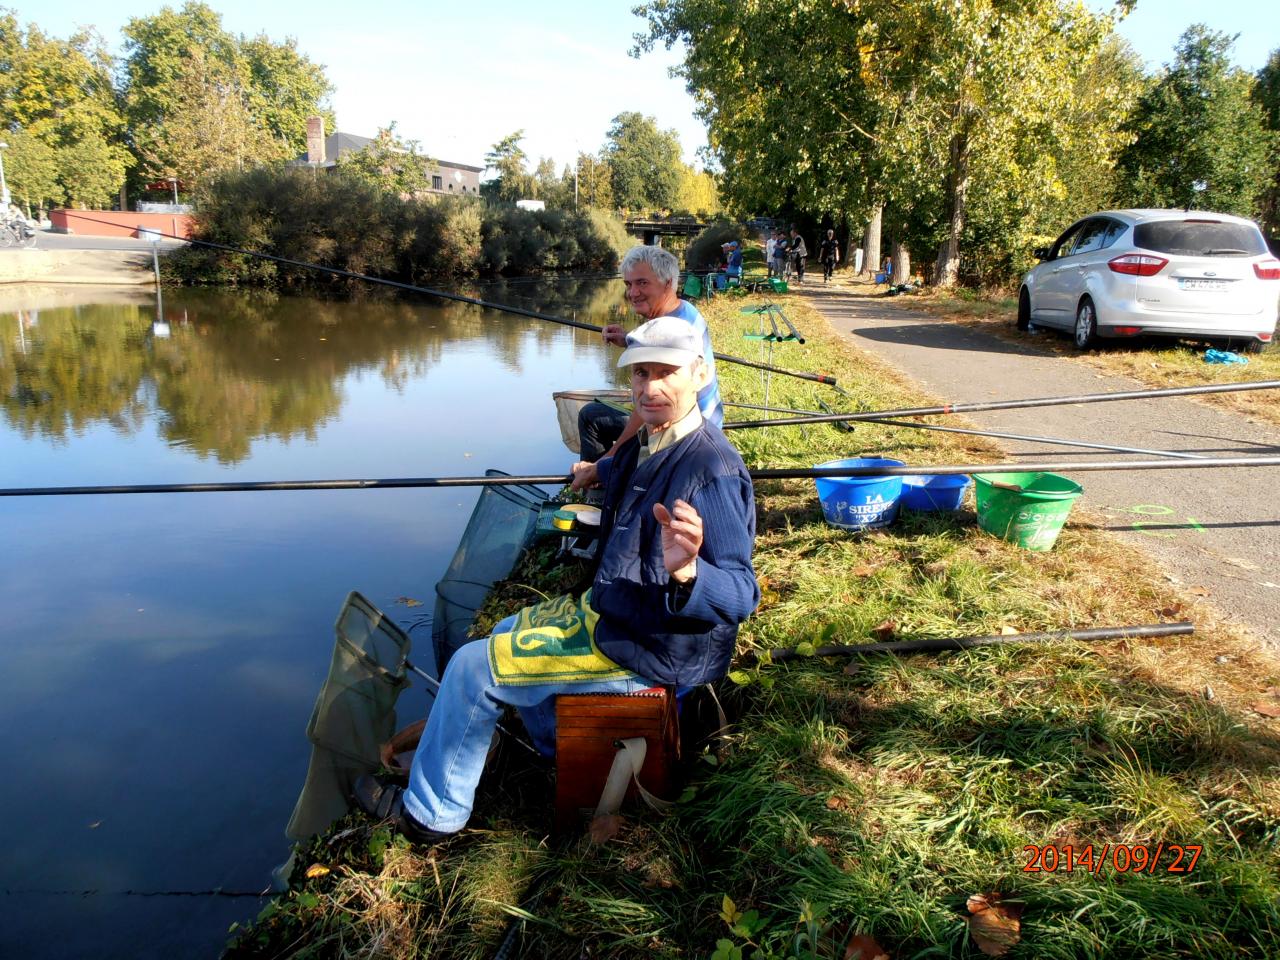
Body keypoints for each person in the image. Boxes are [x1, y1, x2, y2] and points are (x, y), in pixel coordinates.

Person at [353, 316, 760, 843]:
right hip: (612, 612)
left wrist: (688, 572)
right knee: (501, 633)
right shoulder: (647, 442)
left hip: (650, 649)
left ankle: (430, 818)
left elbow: (742, 593)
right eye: (640, 375)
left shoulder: (713, 469)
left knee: (470, 668)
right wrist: (597, 471)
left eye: (666, 373)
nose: (650, 387)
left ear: (700, 374)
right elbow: (629, 473)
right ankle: (554, 748)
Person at [575, 245, 724, 468]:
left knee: (591, 418)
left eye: (642, 283)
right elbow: (664, 356)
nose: (633, 293)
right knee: (596, 415)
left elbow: (646, 410)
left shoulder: (676, 326)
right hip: (692, 421)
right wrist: (629, 341)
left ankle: (600, 490)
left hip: (685, 434)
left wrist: (605, 463)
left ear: (667, 283)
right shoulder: (682, 310)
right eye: (629, 284)